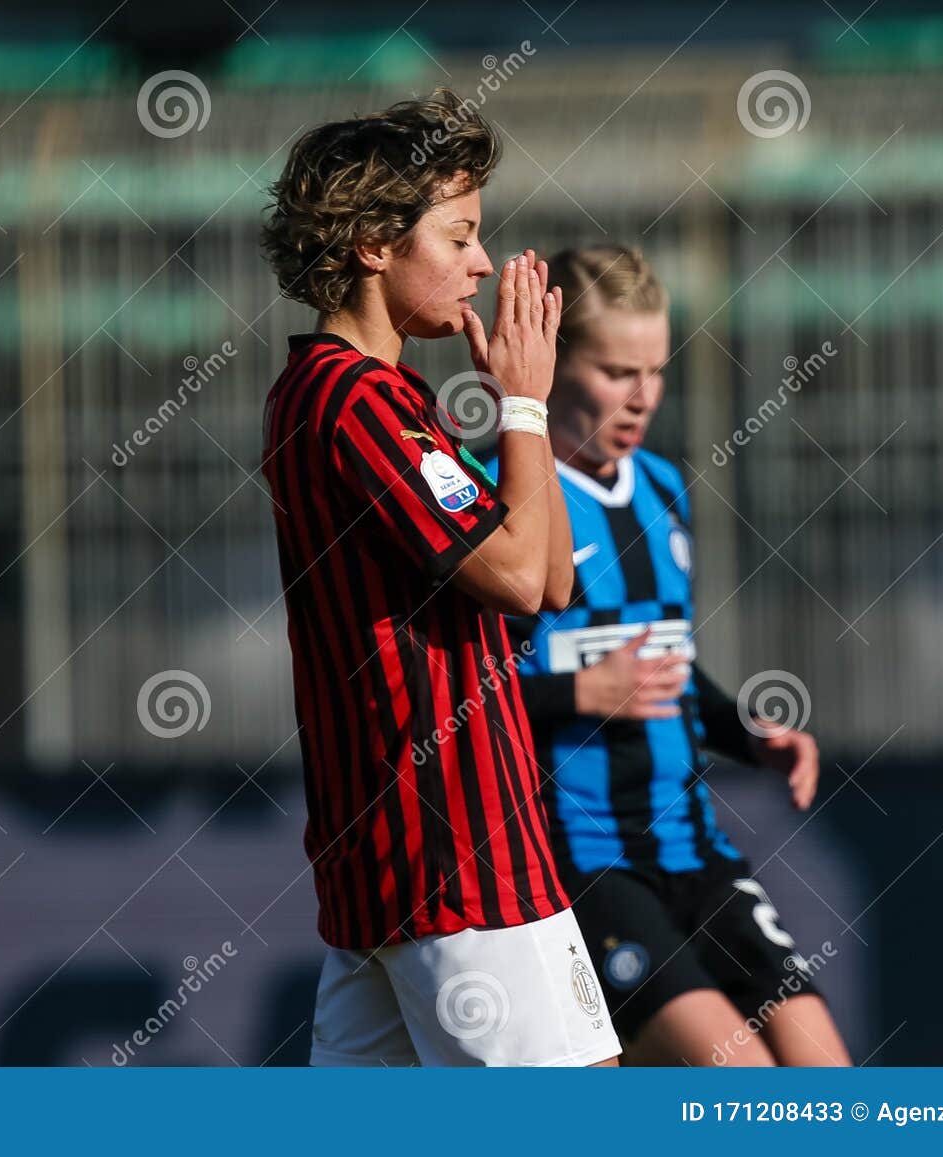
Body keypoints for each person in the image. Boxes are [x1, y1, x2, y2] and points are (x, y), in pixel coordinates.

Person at [258, 89, 620, 1067]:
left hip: (387, 875)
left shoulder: (346, 395)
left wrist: (523, 417)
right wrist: (527, 403)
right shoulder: (355, 400)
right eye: (459, 234)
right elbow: (520, 576)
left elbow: (543, 577)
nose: (482, 263)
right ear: (374, 241)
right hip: (461, 856)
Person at [487, 245, 851, 1066]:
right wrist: (579, 691)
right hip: (583, 860)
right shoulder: (504, 497)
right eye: (617, 370)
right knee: (738, 1083)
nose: (644, 395)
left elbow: (667, 667)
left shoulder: (659, 487)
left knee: (826, 1072)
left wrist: (744, 732)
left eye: (656, 369)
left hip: (692, 843)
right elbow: (456, 698)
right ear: (553, 365)